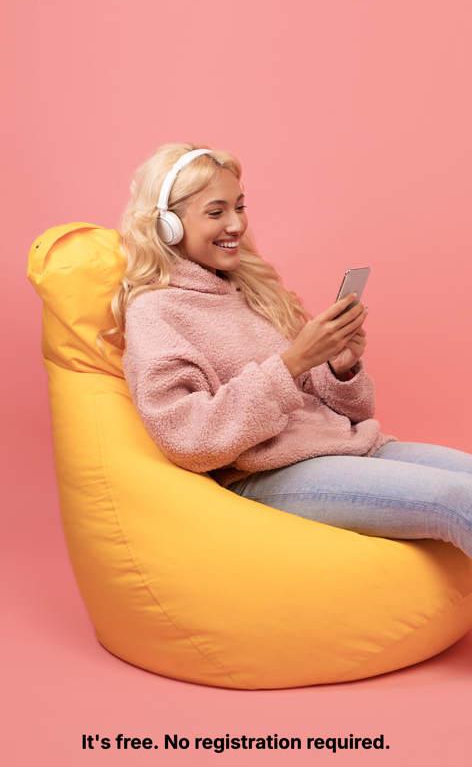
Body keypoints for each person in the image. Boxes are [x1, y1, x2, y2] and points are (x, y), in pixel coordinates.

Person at [108, 143, 472, 558]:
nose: (235, 224)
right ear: (168, 226)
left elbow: (352, 413)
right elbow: (189, 437)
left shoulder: (252, 291)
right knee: (458, 500)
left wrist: (338, 370)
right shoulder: (155, 312)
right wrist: (293, 362)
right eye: (216, 212)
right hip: (268, 474)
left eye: (239, 207)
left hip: (348, 446)